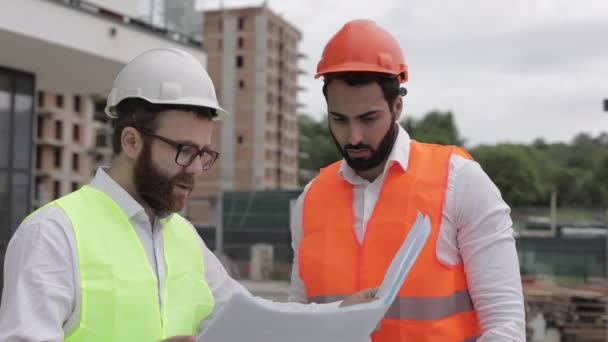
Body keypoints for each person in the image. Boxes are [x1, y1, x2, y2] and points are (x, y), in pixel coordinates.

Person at [0, 48, 375, 342]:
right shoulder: (53, 234)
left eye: (204, 153)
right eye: (184, 150)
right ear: (131, 141)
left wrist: (341, 311)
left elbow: (251, 318)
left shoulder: (182, 237)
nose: (196, 168)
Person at [289, 19, 526, 341]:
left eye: (368, 119)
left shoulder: (460, 181)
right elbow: (298, 316)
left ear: (397, 106)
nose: (353, 137)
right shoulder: (310, 199)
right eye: (339, 120)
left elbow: (505, 325)